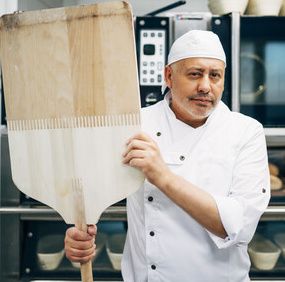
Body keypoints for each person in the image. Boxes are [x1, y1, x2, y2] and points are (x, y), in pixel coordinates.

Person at [64, 30, 270, 281]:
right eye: (195, 74)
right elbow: (93, 191)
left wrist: (163, 176)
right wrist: (79, 233)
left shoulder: (246, 131)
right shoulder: (135, 124)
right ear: (169, 77)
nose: (205, 86)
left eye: (215, 75)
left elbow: (237, 226)